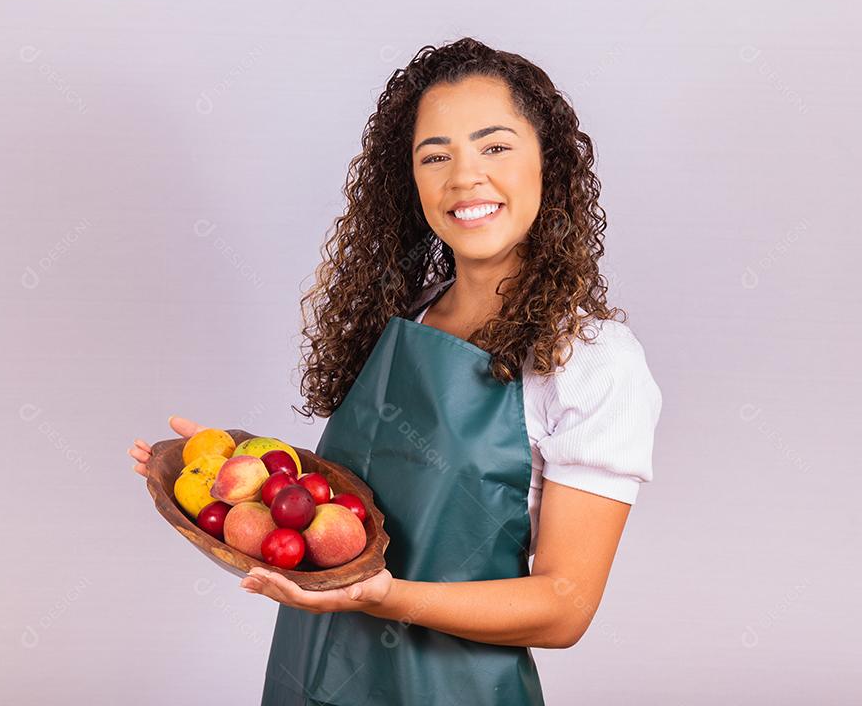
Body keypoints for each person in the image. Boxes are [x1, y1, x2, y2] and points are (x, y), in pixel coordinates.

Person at [130, 37, 663, 705]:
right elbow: (356, 505)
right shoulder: (404, 319)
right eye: (435, 156)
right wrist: (245, 474)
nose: (465, 178)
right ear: (410, 182)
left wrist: (383, 598)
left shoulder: (587, 361)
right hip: (313, 677)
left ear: (548, 164)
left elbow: (564, 606)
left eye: (495, 147)